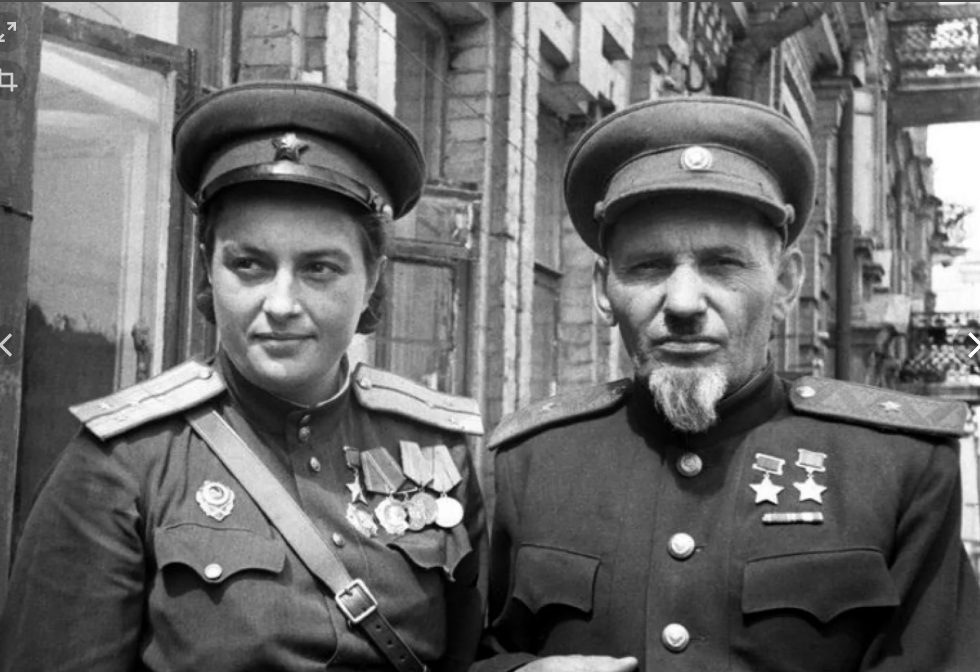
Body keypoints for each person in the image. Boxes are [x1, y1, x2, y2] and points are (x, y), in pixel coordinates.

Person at [476, 96, 980, 672]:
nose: (683, 302)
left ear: (785, 283)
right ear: (602, 290)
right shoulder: (532, 463)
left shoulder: (899, 465)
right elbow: (478, 650)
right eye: (648, 267)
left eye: (723, 265)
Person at [0, 81, 486, 672]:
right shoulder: (125, 463)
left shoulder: (437, 453)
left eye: (320, 268)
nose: (281, 304)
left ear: (372, 282)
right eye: (249, 264)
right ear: (208, 269)